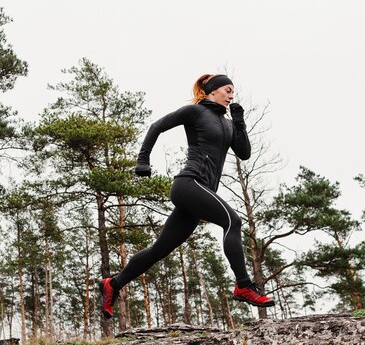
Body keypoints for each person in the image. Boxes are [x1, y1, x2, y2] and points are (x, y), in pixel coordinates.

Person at [100, 73, 275, 319]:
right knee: (232, 222)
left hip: (201, 191)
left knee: (159, 249)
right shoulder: (195, 112)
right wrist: (143, 160)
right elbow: (157, 126)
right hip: (188, 184)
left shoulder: (226, 123)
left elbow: (244, 153)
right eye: (227, 89)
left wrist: (239, 120)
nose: (231, 94)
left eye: (233, 91)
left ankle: (113, 284)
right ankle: (244, 285)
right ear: (212, 91)